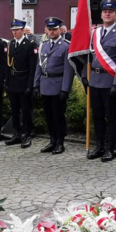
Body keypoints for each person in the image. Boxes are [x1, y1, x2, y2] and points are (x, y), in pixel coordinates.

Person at [87, 0, 116, 162]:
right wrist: (87, 79)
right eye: (105, 11)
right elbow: (90, 57)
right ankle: (99, 146)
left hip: (110, 82)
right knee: (97, 116)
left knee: (111, 117)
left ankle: (110, 149)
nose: (107, 14)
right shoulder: (95, 33)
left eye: (110, 12)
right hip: (95, 81)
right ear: (101, 14)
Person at [34, 17, 75, 155]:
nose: (51, 32)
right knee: (49, 115)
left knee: (58, 116)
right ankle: (52, 140)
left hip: (58, 86)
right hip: (45, 84)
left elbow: (68, 70)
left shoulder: (65, 46)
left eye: (54, 29)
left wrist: (65, 89)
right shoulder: (43, 45)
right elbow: (39, 66)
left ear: (60, 30)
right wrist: (36, 84)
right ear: (46, 30)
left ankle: (60, 142)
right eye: (49, 29)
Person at [4, 19, 38, 148]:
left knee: (26, 110)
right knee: (15, 110)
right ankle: (17, 132)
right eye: (13, 30)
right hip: (13, 82)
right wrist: (6, 82)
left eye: (17, 30)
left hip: (24, 82)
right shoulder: (11, 44)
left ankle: (27, 134)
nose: (14, 32)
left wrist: (30, 85)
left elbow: (32, 67)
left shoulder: (30, 44)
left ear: (23, 30)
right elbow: (8, 65)